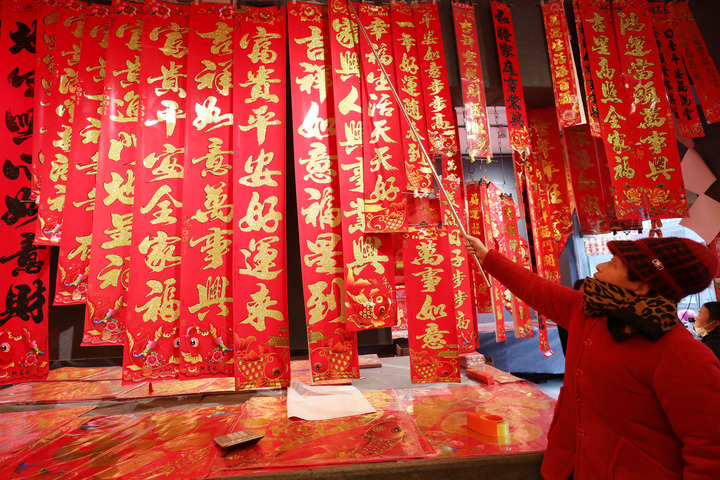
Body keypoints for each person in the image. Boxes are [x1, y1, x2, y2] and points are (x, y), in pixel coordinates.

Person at [464, 234, 720, 479]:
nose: (599, 266)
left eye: (613, 263)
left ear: (641, 286)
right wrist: (487, 257)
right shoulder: (589, 311)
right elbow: (537, 289)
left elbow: (710, 449)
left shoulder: (681, 353)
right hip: (566, 467)